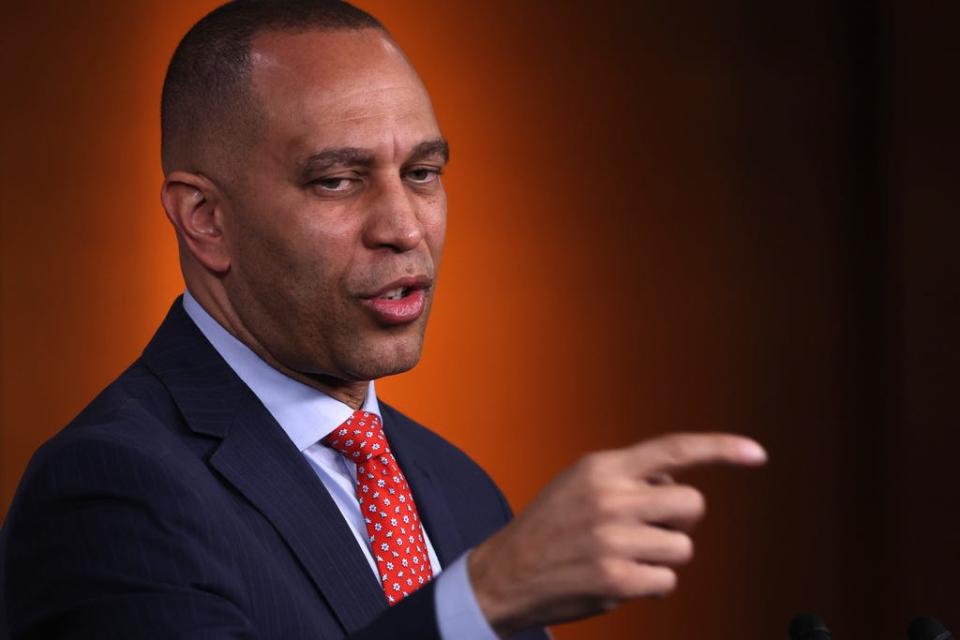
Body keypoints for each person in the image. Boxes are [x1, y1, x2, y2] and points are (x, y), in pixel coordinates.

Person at [0, 1, 767, 638]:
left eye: (424, 174)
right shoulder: (112, 488)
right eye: (338, 180)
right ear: (205, 219)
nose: (404, 225)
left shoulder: (459, 487)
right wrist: (478, 600)